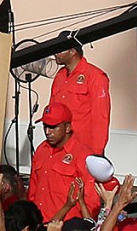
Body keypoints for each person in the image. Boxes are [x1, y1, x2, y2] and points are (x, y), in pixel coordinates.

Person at [48, 32, 112, 161]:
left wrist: (97, 153)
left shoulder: (95, 76)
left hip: (84, 150)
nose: (55, 53)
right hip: (60, 149)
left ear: (73, 52)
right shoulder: (60, 76)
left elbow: (101, 117)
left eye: (60, 49)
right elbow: (52, 114)